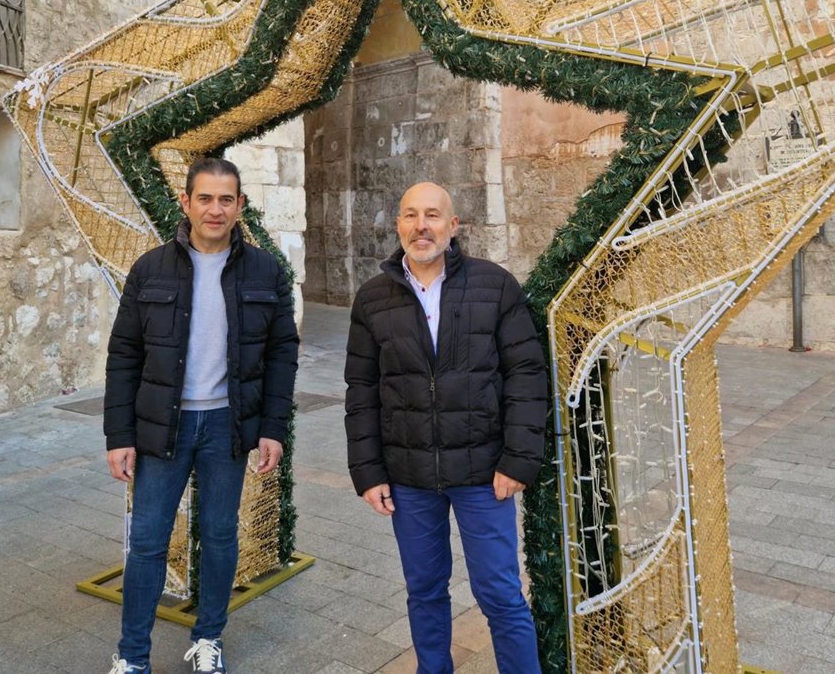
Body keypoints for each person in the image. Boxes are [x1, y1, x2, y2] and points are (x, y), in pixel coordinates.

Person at [103, 157, 298, 674]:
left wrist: (273, 428)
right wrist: (119, 435)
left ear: (239, 206)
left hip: (226, 427)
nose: (216, 209)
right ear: (186, 202)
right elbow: (124, 354)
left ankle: (209, 636)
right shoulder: (150, 269)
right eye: (205, 198)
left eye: (226, 199)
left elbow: (282, 354)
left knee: (218, 536)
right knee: (148, 542)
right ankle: (133, 655)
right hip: (162, 426)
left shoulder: (265, 271)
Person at [344, 181, 548, 674]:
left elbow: (526, 373)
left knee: (500, 594)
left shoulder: (494, 286)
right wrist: (368, 472)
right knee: (425, 590)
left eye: (433, 215)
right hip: (409, 475)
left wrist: (518, 459)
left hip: (484, 473)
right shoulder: (372, 299)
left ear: (453, 225)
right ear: (399, 225)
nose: (422, 226)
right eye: (411, 215)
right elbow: (362, 389)